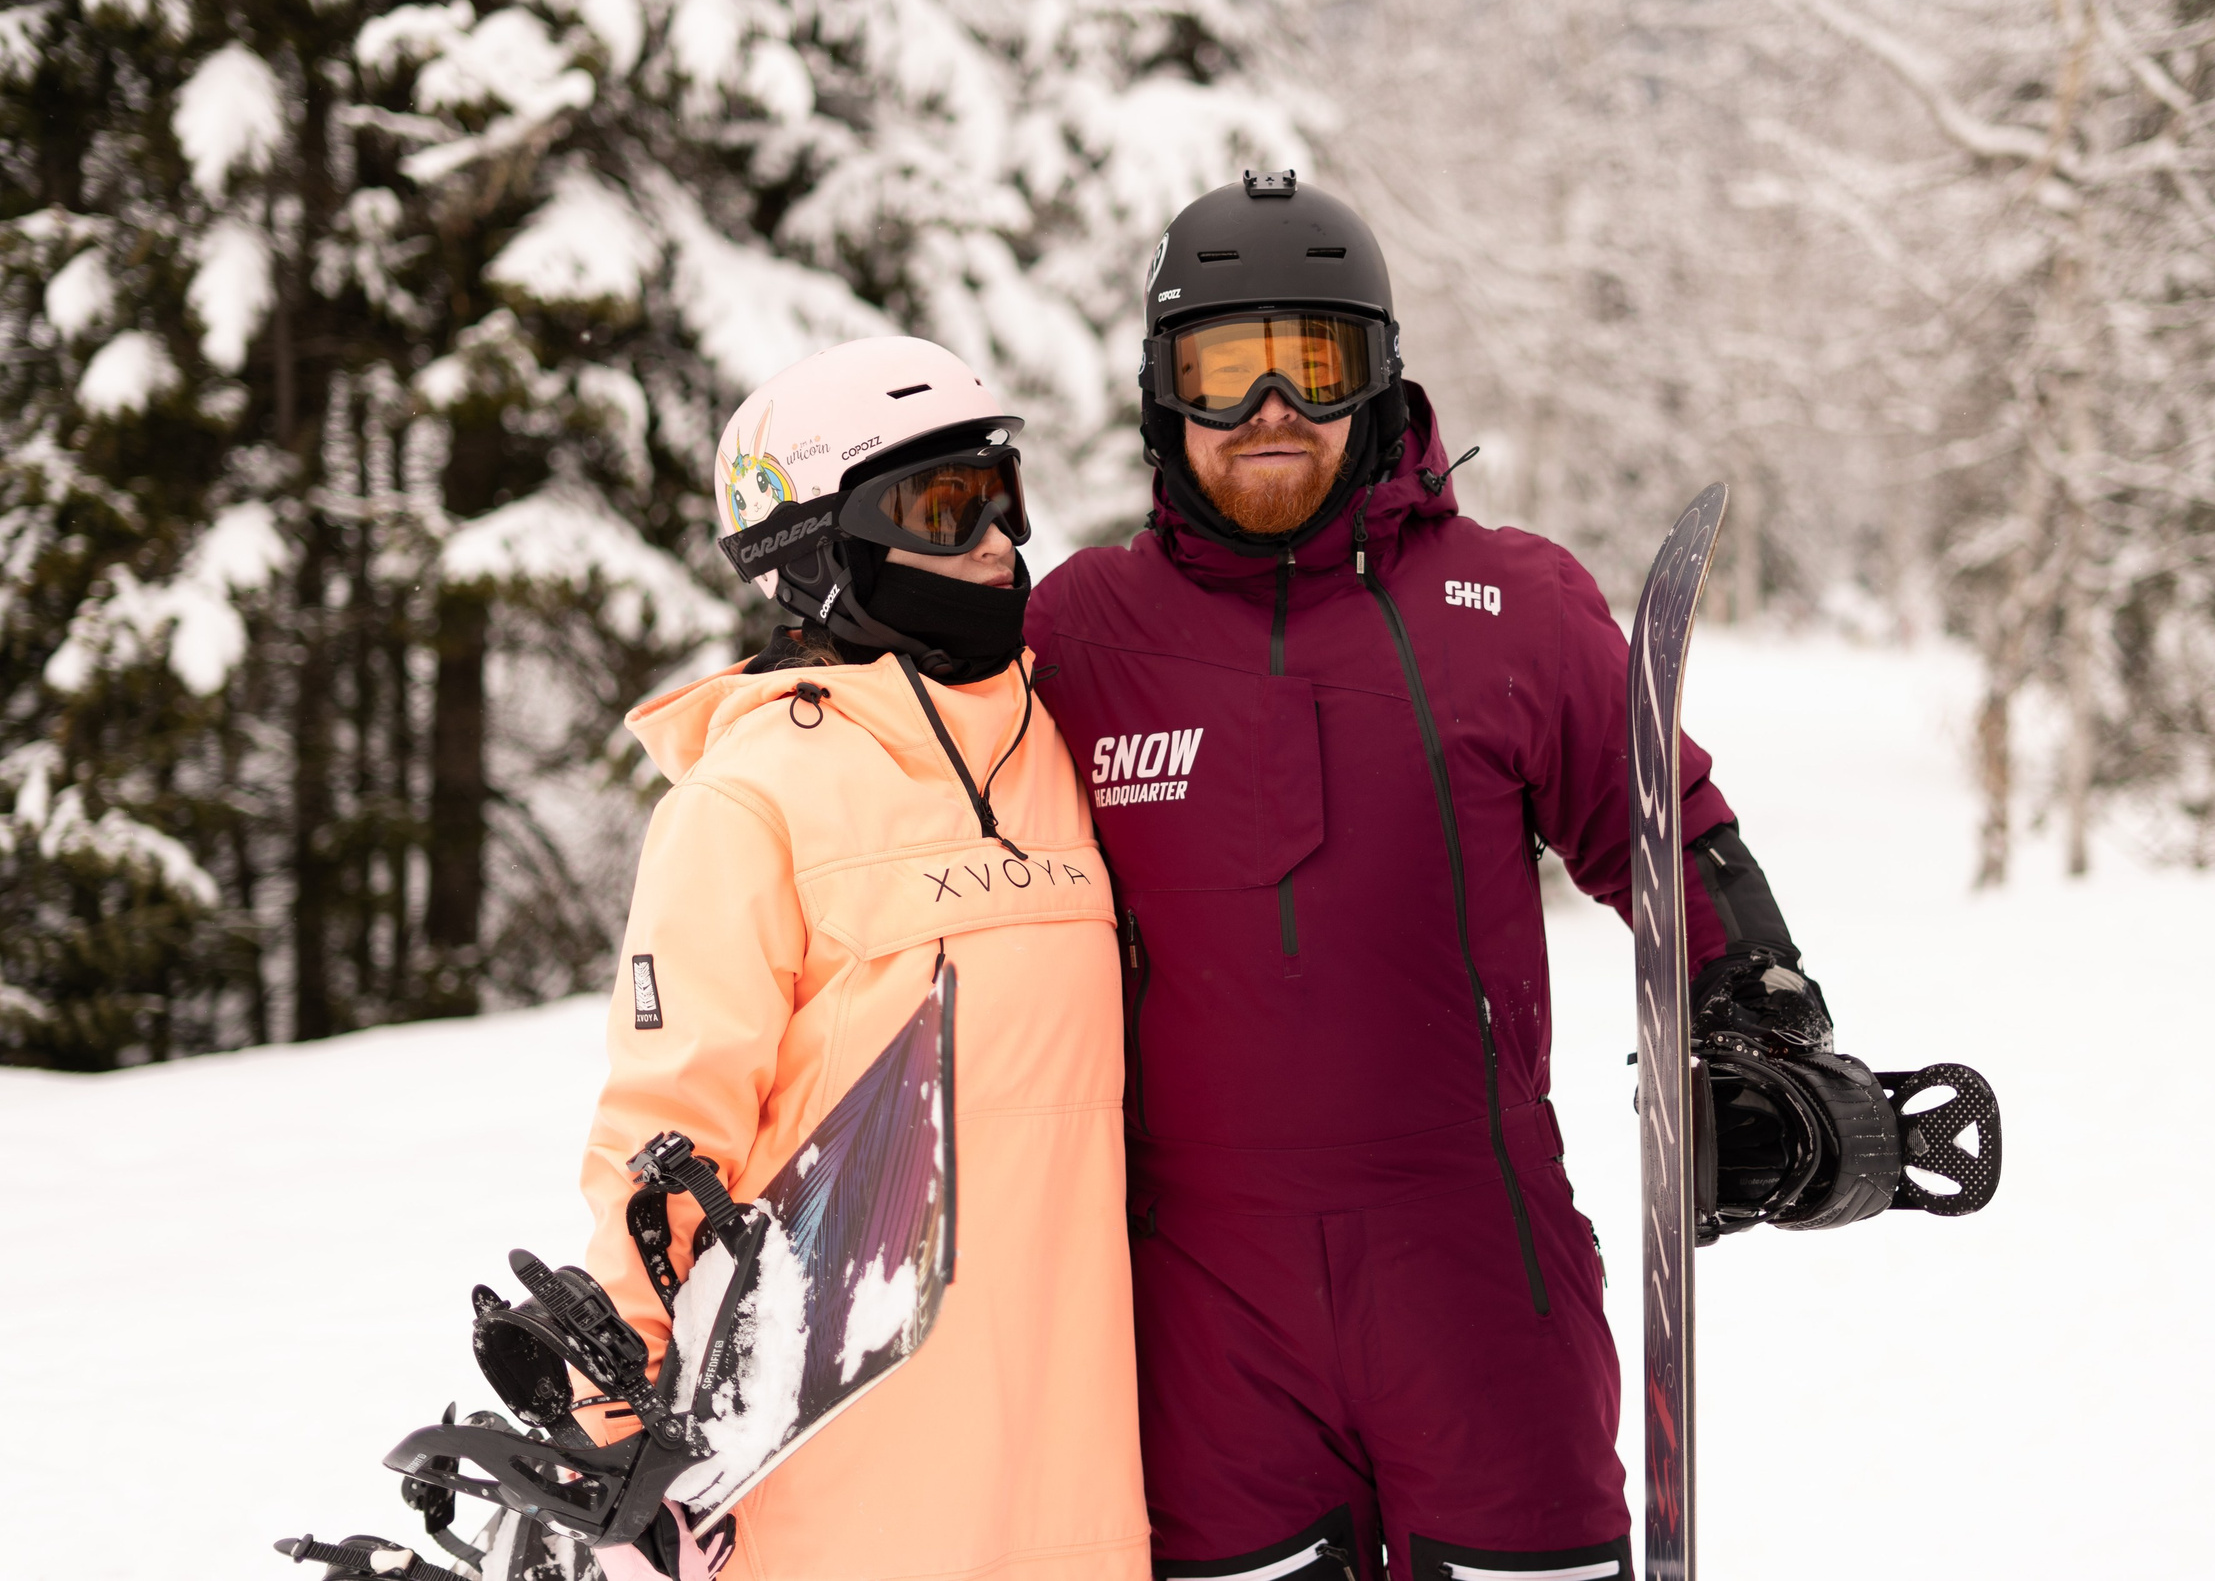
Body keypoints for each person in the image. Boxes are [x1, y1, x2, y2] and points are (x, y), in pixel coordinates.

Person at [1025, 175, 1838, 1581]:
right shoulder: (1080, 636)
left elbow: (1666, 829)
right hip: (1197, 1301)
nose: (1270, 406)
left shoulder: (1508, 603)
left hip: (1477, 1268)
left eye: (1314, 361)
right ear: (1166, 396)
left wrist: (1762, 1019)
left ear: (1381, 375)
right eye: (1224, 371)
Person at [575, 337, 1148, 1581]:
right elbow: (667, 1122)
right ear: (821, 550)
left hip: (1074, 1436)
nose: (998, 542)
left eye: (1001, 497)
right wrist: (612, 1409)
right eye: (945, 510)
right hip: (843, 1455)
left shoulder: (1060, 744)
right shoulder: (747, 799)